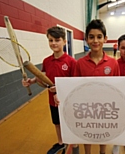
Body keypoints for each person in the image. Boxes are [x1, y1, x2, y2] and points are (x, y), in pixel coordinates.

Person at [21, 26, 79, 154]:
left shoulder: (71, 62)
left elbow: (75, 83)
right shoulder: (47, 61)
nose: (53, 43)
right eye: (50, 40)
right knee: (57, 123)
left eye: (57, 40)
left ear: (64, 41)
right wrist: (32, 80)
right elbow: (42, 75)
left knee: (70, 123)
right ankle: (60, 143)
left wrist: (60, 88)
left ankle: (74, 145)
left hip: (68, 101)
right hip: (52, 101)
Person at [74, 19, 120, 154]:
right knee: (87, 133)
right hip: (86, 107)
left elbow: (118, 87)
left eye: (99, 37)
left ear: (105, 39)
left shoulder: (113, 63)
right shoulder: (80, 63)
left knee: (103, 132)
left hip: (105, 107)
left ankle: (102, 152)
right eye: (91, 37)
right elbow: (75, 87)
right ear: (87, 39)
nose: (95, 41)